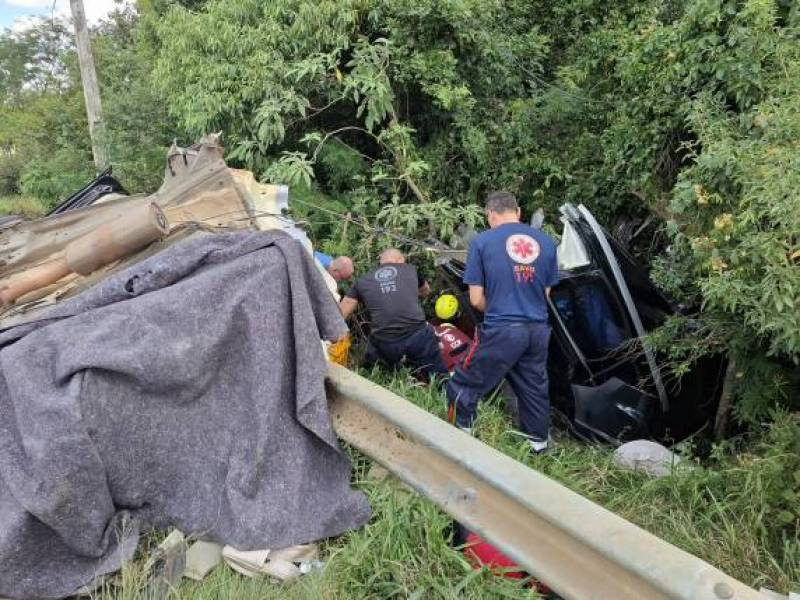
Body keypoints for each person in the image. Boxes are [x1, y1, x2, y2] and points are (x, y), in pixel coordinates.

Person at [445, 191, 559, 453]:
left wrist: (499, 308)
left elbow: (475, 299)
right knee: (533, 389)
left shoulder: (483, 242)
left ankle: (460, 443)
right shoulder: (547, 242)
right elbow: (545, 294)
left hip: (502, 329)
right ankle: (539, 446)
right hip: (538, 330)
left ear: (490, 214)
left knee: (463, 384)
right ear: (517, 211)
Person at [339, 248, 448, 379]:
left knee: (375, 357)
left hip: (386, 342)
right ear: (400, 260)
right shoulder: (411, 269)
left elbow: (341, 312)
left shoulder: (363, 281)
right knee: (438, 375)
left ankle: (384, 380)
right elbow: (426, 291)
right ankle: (443, 387)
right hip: (417, 335)